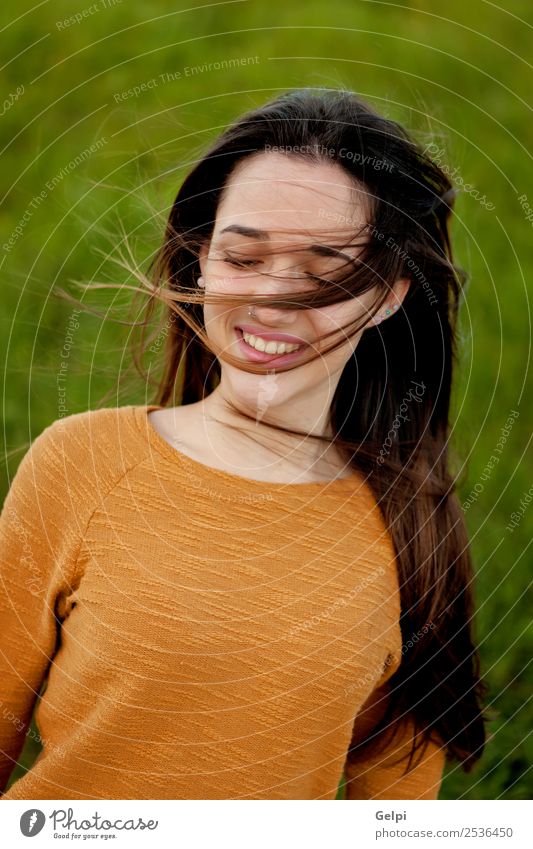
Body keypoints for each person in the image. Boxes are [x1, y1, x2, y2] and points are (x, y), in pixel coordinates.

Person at [0, 88, 488, 800]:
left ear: (389, 295)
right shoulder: (81, 462)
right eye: (243, 257)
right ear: (200, 260)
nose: (273, 300)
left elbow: (397, 803)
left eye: (325, 273)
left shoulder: (408, 525)